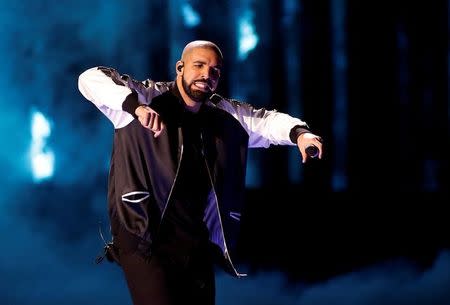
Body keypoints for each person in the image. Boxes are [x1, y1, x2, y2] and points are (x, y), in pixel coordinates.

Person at [78, 40, 323, 305]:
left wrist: (301, 134)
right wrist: (134, 107)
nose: (207, 75)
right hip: (143, 236)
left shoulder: (223, 116)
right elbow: (89, 78)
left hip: (194, 241)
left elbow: (266, 120)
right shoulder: (145, 99)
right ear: (180, 67)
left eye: (215, 71)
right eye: (199, 65)